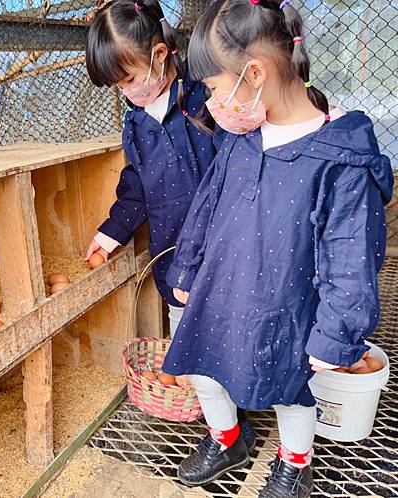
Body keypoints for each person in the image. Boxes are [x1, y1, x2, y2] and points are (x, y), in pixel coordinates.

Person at [162, 0, 393, 496]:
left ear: (255, 73)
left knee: (291, 389)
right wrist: (186, 269)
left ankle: (295, 463)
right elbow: (206, 206)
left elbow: (352, 255)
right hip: (221, 291)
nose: (213, 102)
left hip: (287, 306)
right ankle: (226, 439)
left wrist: (336, 333)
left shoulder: (341, 160)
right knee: (204, 368)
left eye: (215, 88)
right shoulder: (242, 140)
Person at [84, 0, 215, 341]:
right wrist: (111, 232)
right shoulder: (136, 123)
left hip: (220, 254)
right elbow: (136, 188)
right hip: (172, 255)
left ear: (159, 55)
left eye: (128, 79)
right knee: (184, 339)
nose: (126, 91)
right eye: (118, 86)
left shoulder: (207, 99)